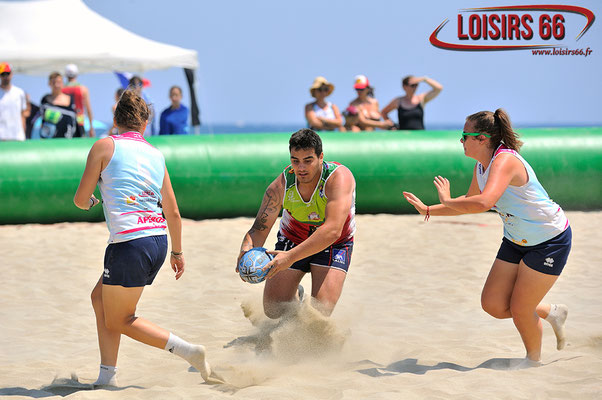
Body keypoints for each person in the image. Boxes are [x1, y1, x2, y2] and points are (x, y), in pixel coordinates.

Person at [403, 109, 571, 369]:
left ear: (481, 139)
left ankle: (532, 362)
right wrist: (429, 209)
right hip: (516, 239)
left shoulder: (504, 161)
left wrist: (446, 200)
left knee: (520, 309)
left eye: (464, 135)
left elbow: (484, 202)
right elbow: (469, 203)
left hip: (550, 239)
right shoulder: (481, 166)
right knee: (492, 305)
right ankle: (551, 312)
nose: (461, 141)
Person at [73, 90, 211, 386]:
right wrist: (177, 252)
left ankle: (188, 351)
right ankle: (106, 376)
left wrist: (93, 203)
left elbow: (80, 199)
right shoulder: (155, 154)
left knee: (121, 319)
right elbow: (172, 211)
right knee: (100, 298)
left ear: (115, 119)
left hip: (129, 243)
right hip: (158, 241)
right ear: (145, 123)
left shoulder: (104, 146)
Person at [237, 129, 356, 318]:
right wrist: (246, 249)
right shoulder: (281, 185)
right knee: (274, 311)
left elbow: (332, 231)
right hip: (293, 238)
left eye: (308, 160)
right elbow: (259, 228)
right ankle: (296, 297)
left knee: (319, 314)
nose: (301, 168)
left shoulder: (338, 178)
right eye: (295, 161)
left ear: (320, 157)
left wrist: (290, 257)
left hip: (334, 243)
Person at [39, 72, 78, 138]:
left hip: (67, 138)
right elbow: (43, 119)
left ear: (63, 83)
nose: (56, 85)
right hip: (49, 138)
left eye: (59, 82)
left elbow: (74, 119)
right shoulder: (45, 100)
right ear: (49, 84)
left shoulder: (70, 99)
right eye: (54, 82)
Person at [62, 64, 95, 137]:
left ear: (66, 75)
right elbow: (88, 109)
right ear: (76, 74)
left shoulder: (61, 89)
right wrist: (91, 127)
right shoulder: (83, 89)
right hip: (79, 121)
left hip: (65, 122)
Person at [0, 62, 28, 141]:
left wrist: (23, 134)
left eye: (7, 73)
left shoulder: (19, 93)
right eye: (3, 74)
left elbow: (22, 115)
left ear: (11, 74)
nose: (5, 77)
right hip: (1, 136)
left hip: (17, 136)